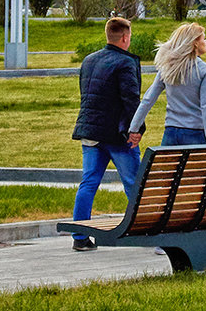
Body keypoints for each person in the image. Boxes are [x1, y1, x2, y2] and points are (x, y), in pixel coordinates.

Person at [70, 16, 143, 252]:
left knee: (88, 182)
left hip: (90, 132)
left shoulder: (89, 60)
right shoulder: (125, 63)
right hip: (117, 135)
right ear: (124, 37)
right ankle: (142, 230)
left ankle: (79, 236)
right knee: (134, 184)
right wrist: (136, 130)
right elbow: (131, 100)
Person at [128, 22, 206, 148]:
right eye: (203, 38)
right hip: (195, 133)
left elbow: (148, 99)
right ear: (195, 43)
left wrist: (134, 128)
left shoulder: (167, 68)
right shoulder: (205, 71)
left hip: (171, 133)